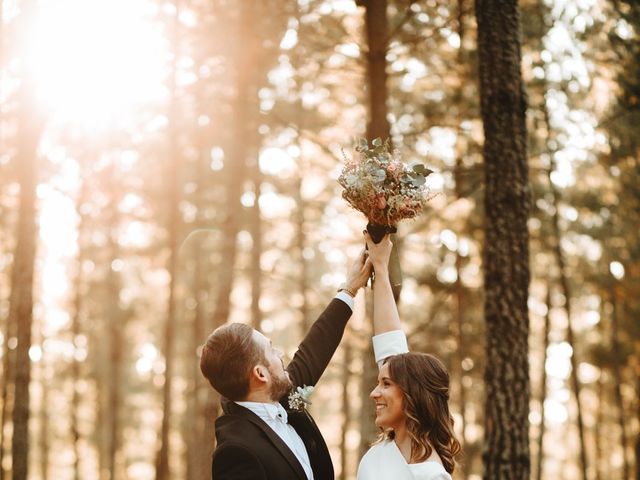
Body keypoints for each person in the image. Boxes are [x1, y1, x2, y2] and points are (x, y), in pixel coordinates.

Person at [200, 249, 372, 480]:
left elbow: (314, 350)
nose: (280, 354)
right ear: (260, 374)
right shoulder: (235, 452)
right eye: (271, 349)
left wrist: (349, 288)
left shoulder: (278, 396)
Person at [357, 232, 461, 480]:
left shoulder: (431, 476)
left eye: (385, 384)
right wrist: (380, 269)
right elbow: (389, 342)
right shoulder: (385, 449)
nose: (374, 393)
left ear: (413, 394)